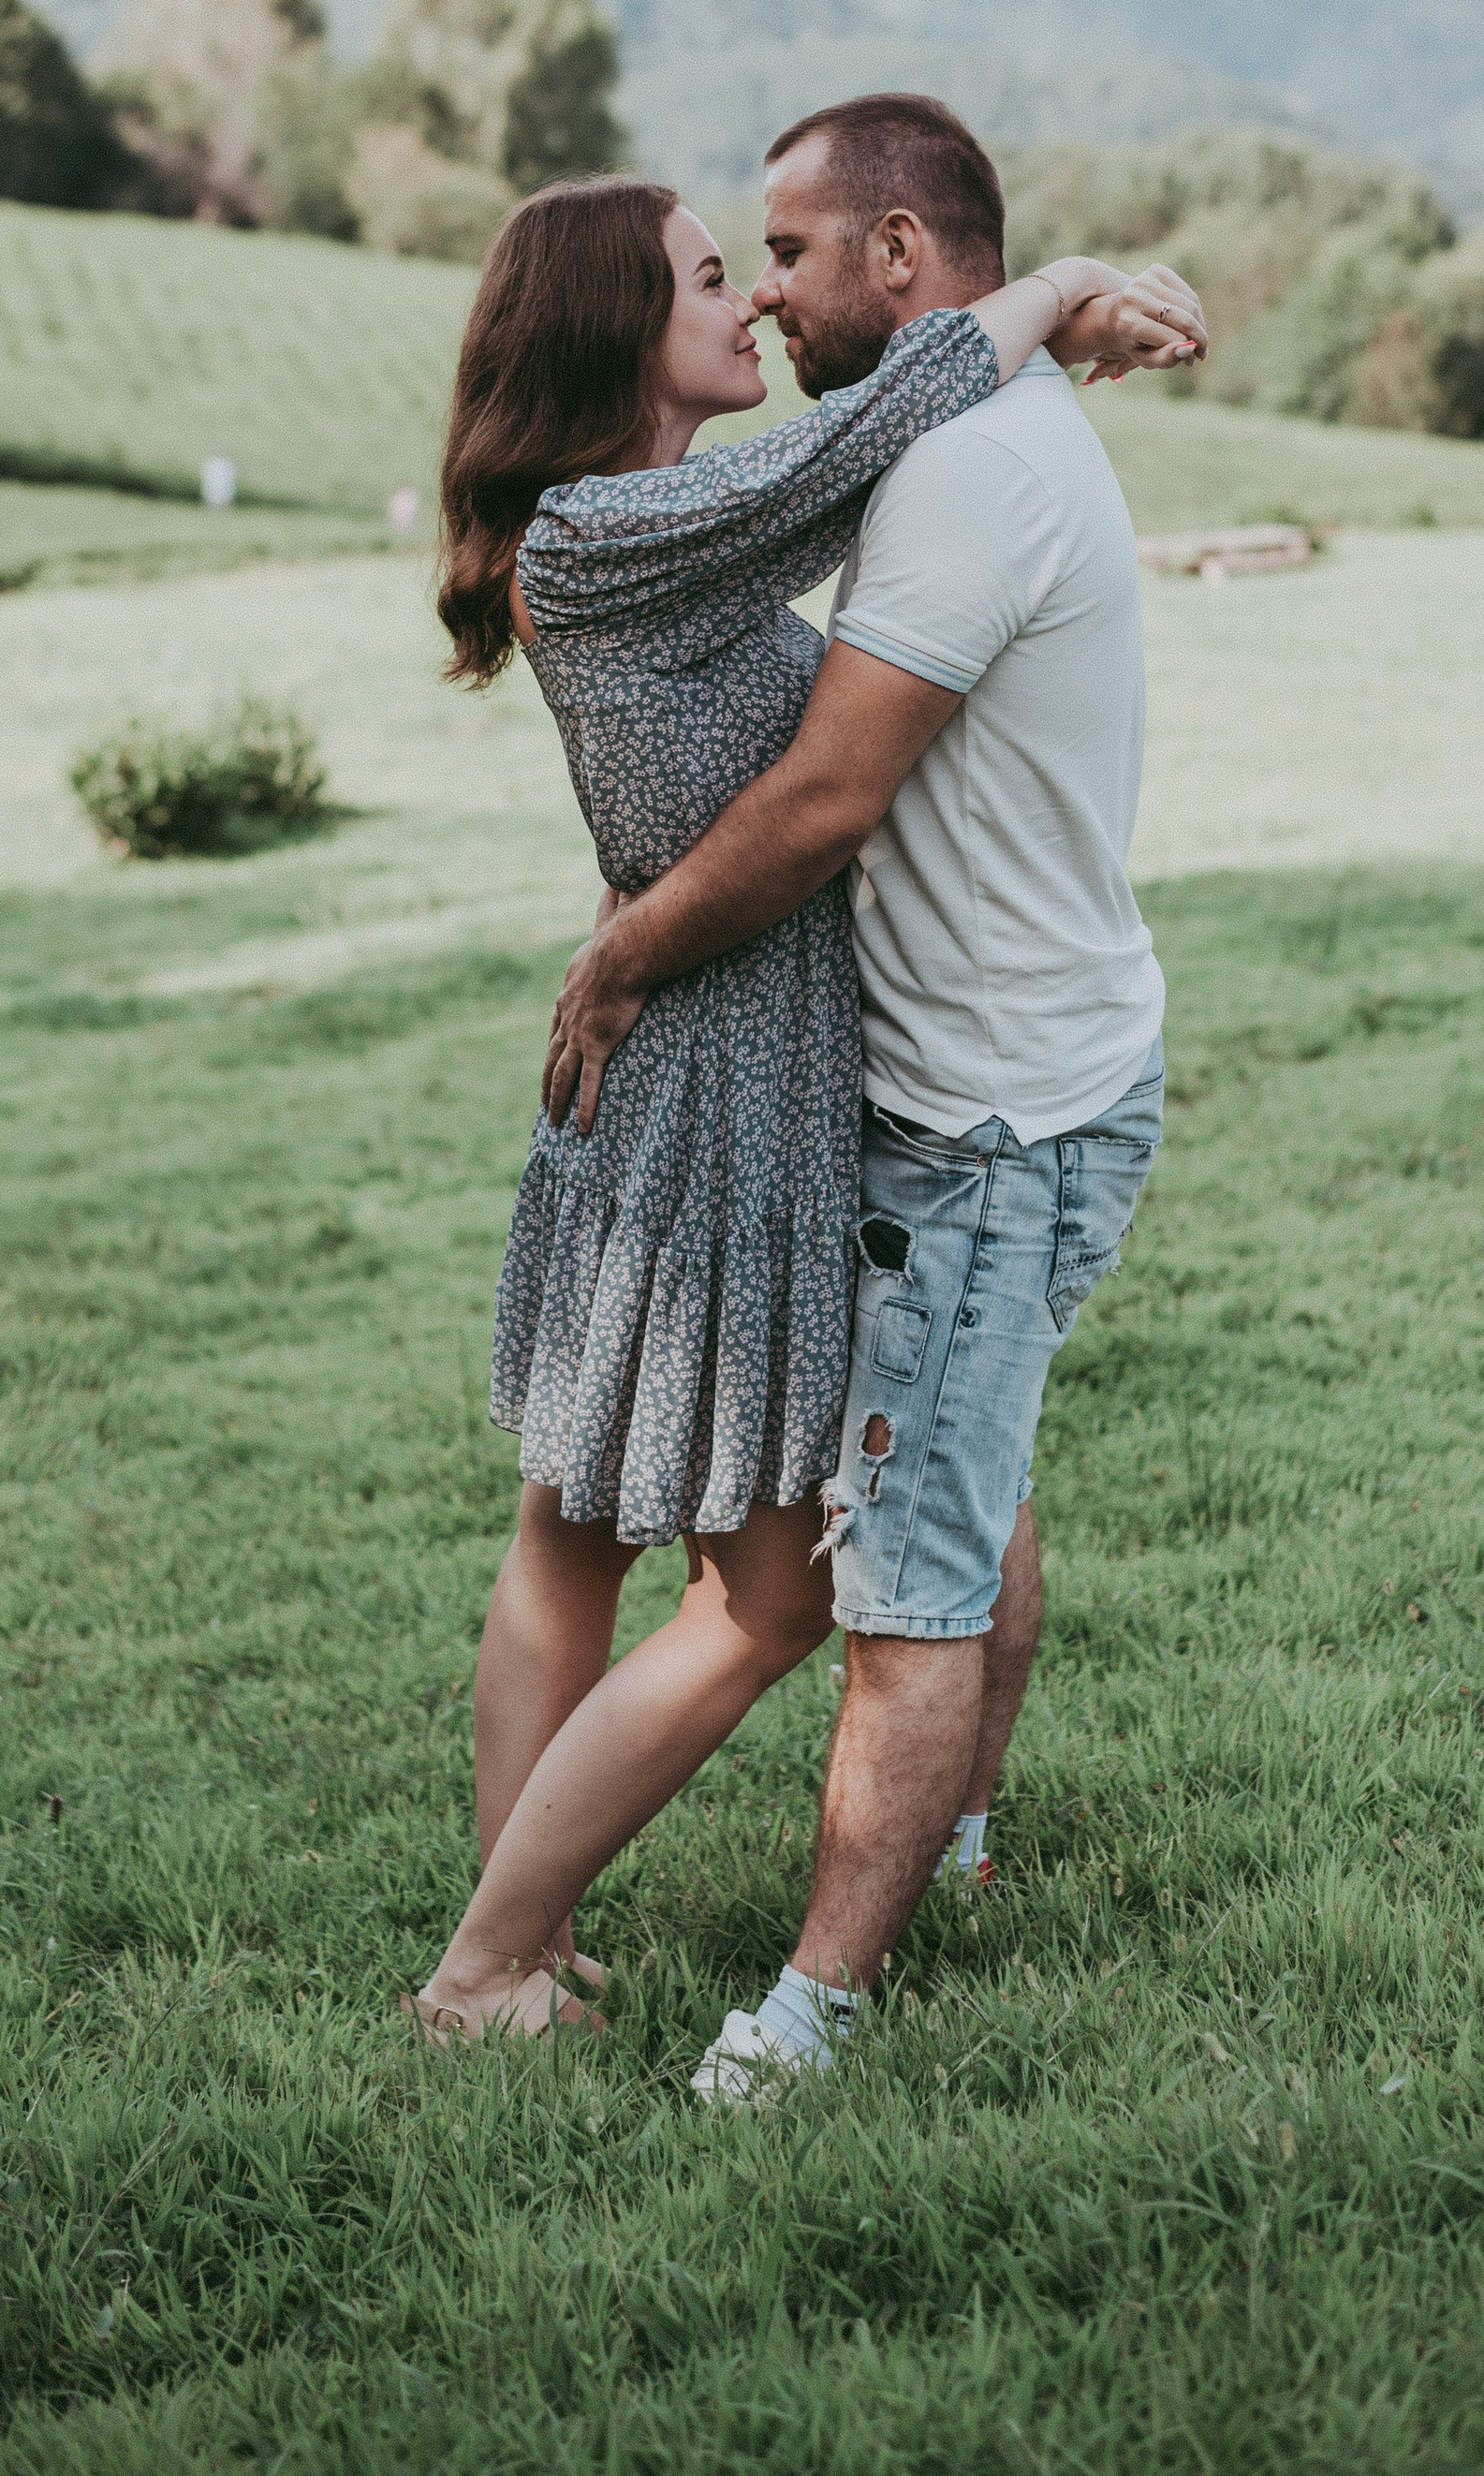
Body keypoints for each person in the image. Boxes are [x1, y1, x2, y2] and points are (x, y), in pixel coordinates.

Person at [407, 169, 1200, 2037]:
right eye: (711, 277)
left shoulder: (616, 529)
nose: (751, 307)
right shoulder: (616, 528)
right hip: (708, 1096)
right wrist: (1066, 283)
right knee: (760, 1597)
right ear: (620, 328)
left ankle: (526, 1925)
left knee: (572, 1527)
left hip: (683, 1063)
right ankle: (493, 1955)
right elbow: (888, 421)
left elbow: (868, 442)